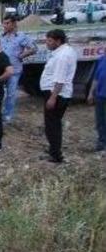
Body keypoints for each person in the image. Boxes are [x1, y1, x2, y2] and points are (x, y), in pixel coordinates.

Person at [39, 29, 77, 164]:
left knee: (52, 125)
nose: (47, 43)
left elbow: (60, 79)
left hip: (57, 94)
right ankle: (53, 150)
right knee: (53, 124)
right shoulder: (64, 52)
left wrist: (53, 97)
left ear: (58, 41)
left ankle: (56, 155)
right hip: (57, 93)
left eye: (49, 41)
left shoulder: (62, 56)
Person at [0, 14, 37, 124]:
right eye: (4, 23)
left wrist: (22, 55)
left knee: (11, 94)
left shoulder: (21, 36)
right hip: (2, 69)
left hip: (14, 70)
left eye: (7, 23)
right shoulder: (1, 36)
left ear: (14, 23)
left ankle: (7, 115)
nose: (5, 25)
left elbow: (34, 48)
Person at [87, 52, 106, 152]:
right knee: (100, 120)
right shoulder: (101, 59)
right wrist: (91, 93)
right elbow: (96, 78)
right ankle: (102, 141)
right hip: (100, 95)